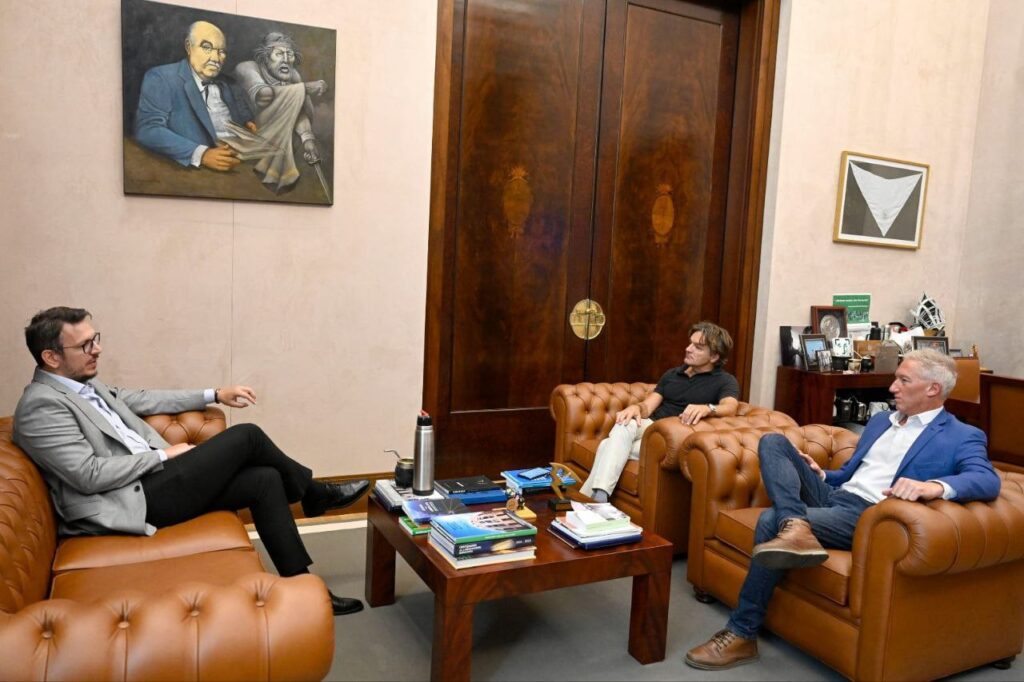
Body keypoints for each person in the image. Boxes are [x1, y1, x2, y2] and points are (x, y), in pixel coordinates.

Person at [13, 307, 370, 616]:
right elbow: (87, 475)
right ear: (51, 357)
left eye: (96, 339)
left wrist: (215, 394)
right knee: (247, 436)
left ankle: (305, 588)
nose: (97, 349)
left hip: (154, 482)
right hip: (131, 500)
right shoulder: (41, 406)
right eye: (85, 345)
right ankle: (314, 494)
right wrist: (161, 455)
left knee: (264, 480)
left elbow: (141, 399)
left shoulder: (84, 383)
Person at [685, 349, 1001, 670]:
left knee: (770, 520)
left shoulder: (961, 435)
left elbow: (986, 479)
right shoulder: (882, 421)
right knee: (772, 442)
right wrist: (822, 475)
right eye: (896, 379)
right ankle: (795, 524)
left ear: (933, 388)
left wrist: (933, 486)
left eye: (904, 381)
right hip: (835, 495)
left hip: (868, 515)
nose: (893, 387)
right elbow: (851, 472)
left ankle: (742, 633)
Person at [580, 321, 740, 503]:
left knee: (606, 446)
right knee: (625, 423)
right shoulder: (673, 374)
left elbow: (730, 407)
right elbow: (648, 407)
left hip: (673, 436)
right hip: (650, 425)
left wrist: (708, 408)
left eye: (698, 347)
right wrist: (636, 407)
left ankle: (585, 501)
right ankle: (599, 498)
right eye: (690, 343)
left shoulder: (724, 381)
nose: (688, 349)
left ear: (714, 356)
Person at [135, 21, 256, 171]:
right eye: (207, 48)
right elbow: (148, 129)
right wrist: (202, 154)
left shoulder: (229, 83)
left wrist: (248, 123)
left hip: (240, 163)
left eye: (221, 51)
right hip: (195, 171)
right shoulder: (161, 77)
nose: (216, 58)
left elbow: (243, 114)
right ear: (188, 47)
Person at [233, 32, 329, 190]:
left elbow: (295, 107)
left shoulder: (293, 76)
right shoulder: (247, 68)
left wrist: (307, 140)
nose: (285, 59)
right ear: (265, 57)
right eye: (279, 54)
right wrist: (306, 88)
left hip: (278, 147)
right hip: (248, 143)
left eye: (289, 54)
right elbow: (264, 96)